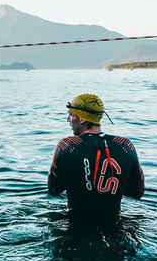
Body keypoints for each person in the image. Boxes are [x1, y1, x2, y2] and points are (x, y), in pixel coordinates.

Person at [47, 94, 145, 226]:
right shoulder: (126, 145)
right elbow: (138, 192)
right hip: (114, 225)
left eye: (70, 114)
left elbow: (53, 190)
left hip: (75, 224)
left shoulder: (66, 146)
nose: (68, 119)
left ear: (82, 118)